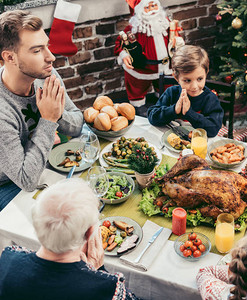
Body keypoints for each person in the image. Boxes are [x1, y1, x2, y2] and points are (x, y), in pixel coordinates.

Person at [0, 178, 138, 300]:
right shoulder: (106, 287)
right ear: (90, 232)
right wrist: (97, 271)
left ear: (36, 225)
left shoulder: (8, 258)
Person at [0, 10, 83, 211]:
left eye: (47, 46)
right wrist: (48, 119)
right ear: (10, 57)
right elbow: (26, 180)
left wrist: (57, 114)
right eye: (37, 51)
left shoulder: (44, 75)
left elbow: (78, 123)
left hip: (44, 161)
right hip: (9, 185)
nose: (51, 57)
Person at [115, 0, 176, 116]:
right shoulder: (134, 28)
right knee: (137, 87)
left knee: (166, 87)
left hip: (165, 65)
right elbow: (120, 43)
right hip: (142, 67)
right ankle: (138, 106)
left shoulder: (165, 23)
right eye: (147, 8)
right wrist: (124, 54)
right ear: (140, 10)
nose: (152, 10)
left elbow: (174, 37)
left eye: (154, 6)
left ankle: (163, 102)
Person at [148, 45, 224, 137]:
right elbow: (152, 117)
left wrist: (189, 113)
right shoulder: (171, 93)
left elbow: (213, 130)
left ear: (206, 73)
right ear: (176, 77)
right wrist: (174, 110)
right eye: (187, 80)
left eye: (199, 79)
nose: (194, 87)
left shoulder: (210, 99)